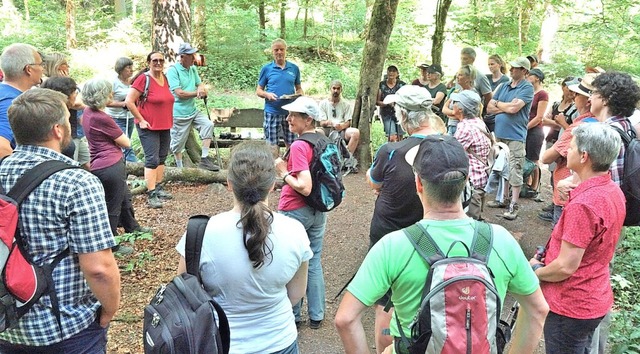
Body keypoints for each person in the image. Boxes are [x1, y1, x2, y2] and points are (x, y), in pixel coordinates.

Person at [336, 134, 548, 354]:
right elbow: (538, 310)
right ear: (466, 181)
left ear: (418, 182)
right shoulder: (501, 240)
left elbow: (346, 319)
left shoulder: (393, 246)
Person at [0, 88, 121, 352]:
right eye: (67, 119)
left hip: (6, 322)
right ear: (58, 130)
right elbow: (98, 267)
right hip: (63, 328)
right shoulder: (77, 182)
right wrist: (110, 309)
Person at [175, 141, 312, 354]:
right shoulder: (295, 231)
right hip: (280, 341)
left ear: (229, 183)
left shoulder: (201, 233)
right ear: (272, 185)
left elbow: (184, 293)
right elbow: (296, 294)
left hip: (221, 343)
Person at [530, 123, 624, 354]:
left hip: (571, 304)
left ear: (584, 156)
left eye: (571, 148)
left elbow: (565, 267)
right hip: (594, 296)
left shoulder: (584, 205)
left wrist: (534, 272)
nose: (566, 151)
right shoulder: (612, 190)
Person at [366, 85, 445, 353]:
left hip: (391, 233)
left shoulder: (391, 150)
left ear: (402, 114)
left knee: (388, 303)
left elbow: (374, 183)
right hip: (434, 236)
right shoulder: (448, 148)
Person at [274, 96, 327, 330]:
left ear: (308, 119)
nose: (288, 119)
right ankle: (317, 315)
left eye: (293, 115)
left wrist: (283, 173)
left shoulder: (298, 145)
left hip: (296, 209)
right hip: (319, 209)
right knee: (313, 258)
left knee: (292, 260)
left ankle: (293, 314)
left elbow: (304, 185)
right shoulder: (322, 141)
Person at [81, 78, 149, 251]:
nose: (111, 94)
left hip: (101, 164)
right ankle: (111, 244)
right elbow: (126, 142)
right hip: (109, 165)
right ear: (102, 95)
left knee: (124, 195)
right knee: (113, 204)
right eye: (108, 92)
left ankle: (132, 226)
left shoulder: (87, 112)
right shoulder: (102, 117)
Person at [540, 74, 598, 226]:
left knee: (560, 236)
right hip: (588, 192)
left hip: (569, 190)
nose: (574, 97)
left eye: (578, 94)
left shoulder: (579, 126)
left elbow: (546, 157)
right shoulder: (600, 123)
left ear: (588, 101)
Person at [486, 57, 534, 220]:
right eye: (512, 67)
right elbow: (489, 108)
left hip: (515, 136)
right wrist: (504, 107)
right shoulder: (504, 85)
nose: (512, 69)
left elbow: (514, 108)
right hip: (500, 135)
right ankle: (502, 198)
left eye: (516, 67)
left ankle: (514, 204)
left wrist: (499, 105)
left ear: (525, 71)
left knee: (515, 168)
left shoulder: (527, 88)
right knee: (501, 167)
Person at [125, 51, 175, 209]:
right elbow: (129, 101)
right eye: (155, 60)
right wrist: (141, 120)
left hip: (165, 124)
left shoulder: (164, 78)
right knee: (151, 159)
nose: (158, 63)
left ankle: (158, 186)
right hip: (148, 126)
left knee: (161, 157)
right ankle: (151, 192)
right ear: (149, 62)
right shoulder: (143, 79)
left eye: (161, 60)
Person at [167, 43, 219, 171]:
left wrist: (201, 89)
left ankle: (205, 159)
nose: (193, 58)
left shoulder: (193, 69)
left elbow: (199, 83)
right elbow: (179, 93)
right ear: (183, 56)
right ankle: (180, 169)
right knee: (177, 145)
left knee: (208, 125)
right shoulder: (173, 70)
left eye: (193, 55)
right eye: (191, 55)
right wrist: (197, 93)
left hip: (192, 111)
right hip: (178, 113)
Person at [256, 38, 303, 157]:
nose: (279, 52)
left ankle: (289, 166)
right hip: (272, 111)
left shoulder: (294, 68)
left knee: (292, 142)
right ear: (272, 52)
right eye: (276, 50)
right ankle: (273, 167)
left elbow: (299, 88)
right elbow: (259, 90)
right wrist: (267, 94)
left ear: (285, 50)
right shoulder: (267, 69)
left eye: (281, 49)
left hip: (290, 112)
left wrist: (299, 95)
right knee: (272, 144)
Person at [0, 43, 44, 158]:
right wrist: (22, 173)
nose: (42, 68)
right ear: (28, 69)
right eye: (40, 64)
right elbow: (1, 147)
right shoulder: (12, 102)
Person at [452, 90, 491, 220]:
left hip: (472, 181)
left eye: (456, 102)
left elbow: (453, 152)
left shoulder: (465, 127)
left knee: (470, 221)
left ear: (461, 109)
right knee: (477, 217)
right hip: (481, 176)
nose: (453, 104)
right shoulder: (478, 122)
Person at [105, 57, 139, 163]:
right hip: (116, 118)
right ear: (121, 69)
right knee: (125, 143)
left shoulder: (132, 82)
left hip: (129, 117)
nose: (131, 70)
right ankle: (134, 163)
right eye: (128, 68)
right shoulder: (113, 83)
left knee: (125, 142)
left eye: (132, 67)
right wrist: (123, 104)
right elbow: (107, 102)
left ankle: (124, 164)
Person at [318, 79, 360, 156]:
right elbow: (322, 122)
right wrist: (329, 123)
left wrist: (341, 126)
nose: (336, 91)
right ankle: (321, 157)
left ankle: (347, 158)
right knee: (317, 132)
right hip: (327, 129)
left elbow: (348, 122)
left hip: (342, 130)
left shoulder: (345, 104)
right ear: (330, 89)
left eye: (338, 89)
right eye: (334, 88)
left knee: (355, 132)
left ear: (341, 90)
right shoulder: (323, 104)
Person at [524, 68, 549, 197]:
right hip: (525, 129)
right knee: (525, 157)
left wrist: (525, 128)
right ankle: (526, 183)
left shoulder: (542, 94)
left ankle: (535, 186)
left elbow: (539, 117)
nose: (527, 77)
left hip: (535, 130)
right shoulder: (528, 92)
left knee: (533, 159)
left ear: (537, 78)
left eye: (530, 75)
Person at [441, 64, 475, 135]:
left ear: (468, 78)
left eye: (460, 75)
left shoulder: (472, 95)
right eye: (457, 74)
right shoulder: (456, 92)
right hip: (451, 127)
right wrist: (453, 113)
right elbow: (444, 109)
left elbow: (466, 115)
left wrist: (451, 113)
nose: (457, 77)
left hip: (463, 129)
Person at [376, 65, 406, 142]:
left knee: (400, 137)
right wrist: (387, 103)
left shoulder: (402, 85)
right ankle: (390, 152)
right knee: (392, 137)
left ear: (397, 74)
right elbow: (377, 101)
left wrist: (397, 103)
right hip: (387, 114)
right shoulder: (382, 85)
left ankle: (399, 153)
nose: (391, 73)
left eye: (394, 71)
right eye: (390, 71)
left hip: (400, 112)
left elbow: (405, 99)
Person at [485, 54, 510, 132]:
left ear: (499, 64)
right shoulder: (486, 77)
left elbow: (494, 95)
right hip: (484, 113)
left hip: (496, 114)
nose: (490, 66)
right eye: (488, 64)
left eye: (492, 64)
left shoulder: (505, 79)